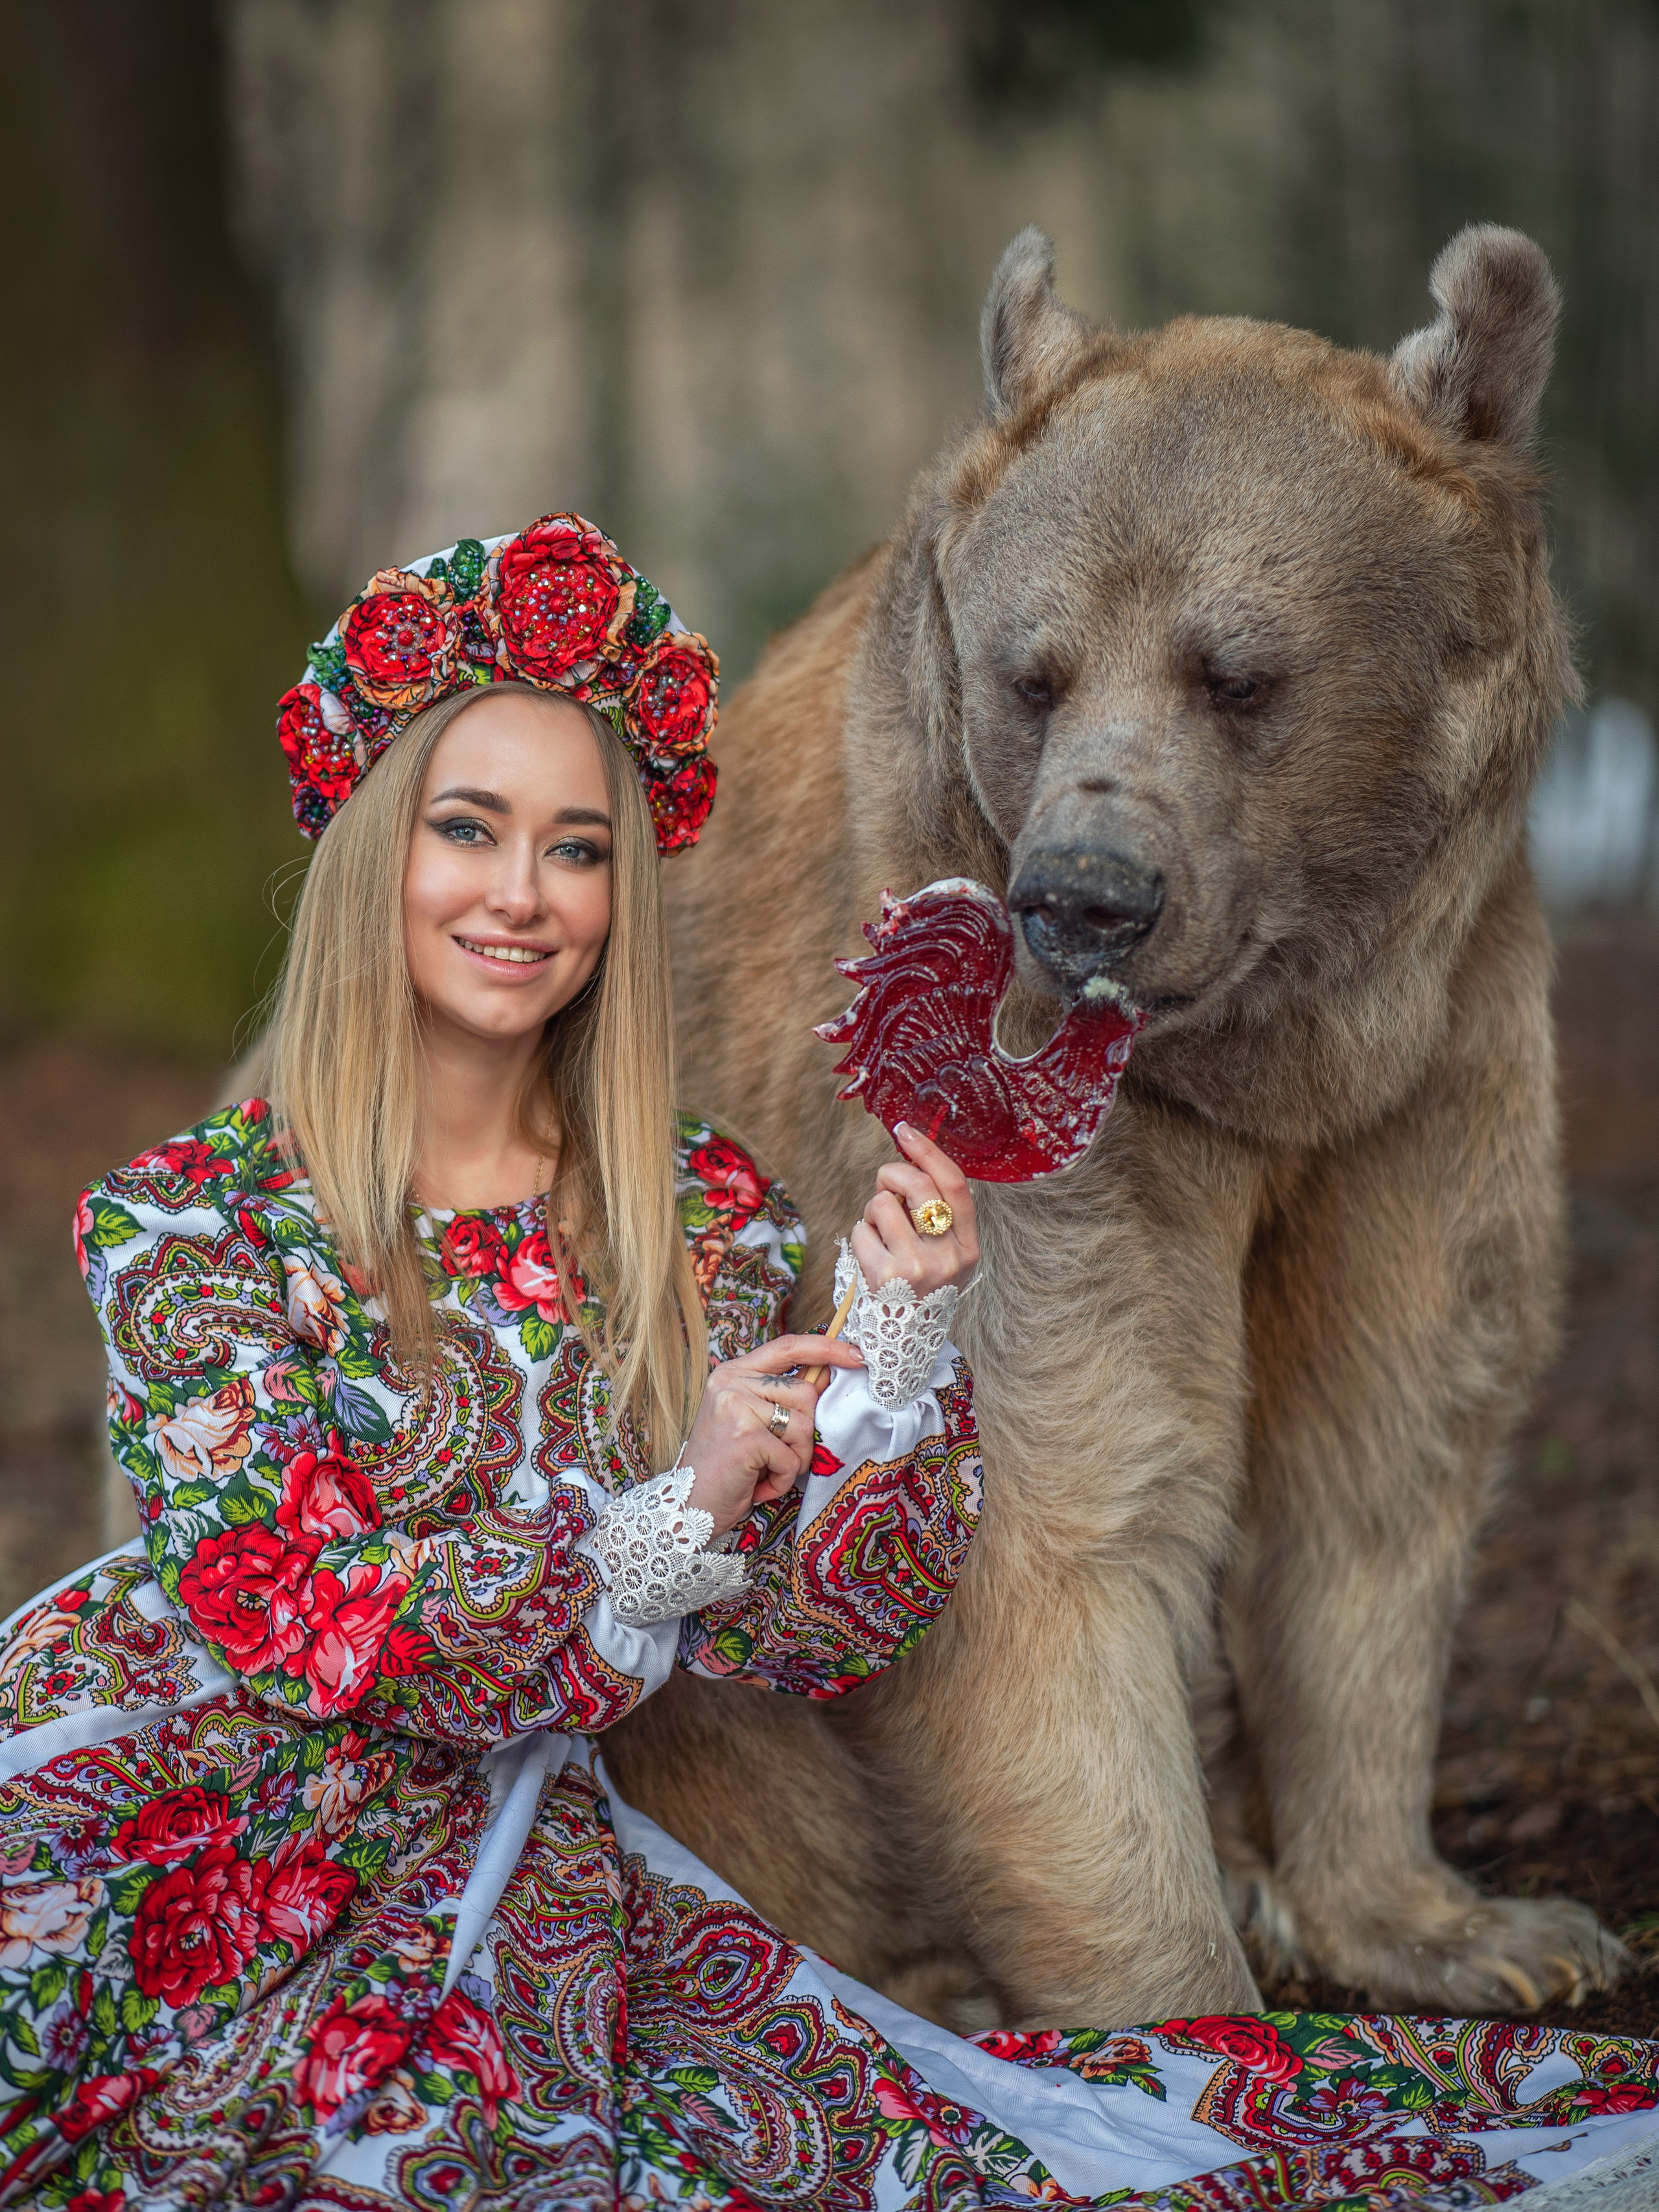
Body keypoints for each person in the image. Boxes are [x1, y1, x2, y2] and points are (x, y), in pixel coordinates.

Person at [0, 515, 1652, 2211]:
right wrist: (673, 1505)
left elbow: (807, 1625)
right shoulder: (192, 1226)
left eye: (578, 849)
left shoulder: (691, 1205)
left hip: (593, 1886)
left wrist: (887, 1336)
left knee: (1043, 2157)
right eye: (467, 830)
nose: (520, 895)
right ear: (372, 853)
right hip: (239, 1868)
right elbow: (313, 1622)